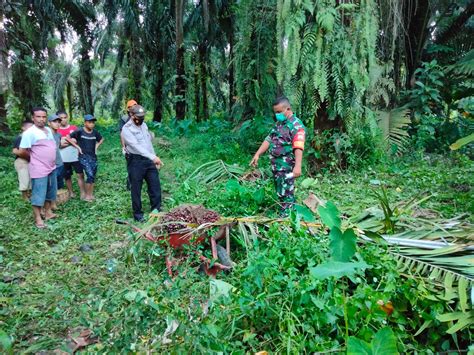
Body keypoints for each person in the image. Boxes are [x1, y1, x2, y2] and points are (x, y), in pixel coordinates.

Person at [250, 96, 306, 216]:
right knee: (281, 189)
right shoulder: (279, 124)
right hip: (277, 166)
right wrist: (257, 154)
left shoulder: (296, 126)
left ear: (288, 109)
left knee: (287, 191)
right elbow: (269, 139)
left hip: (287, 165)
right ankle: (287, 211)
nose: (277, 114)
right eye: (276, 112)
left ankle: (287, 216)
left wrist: (298, 166)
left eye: (279, 112)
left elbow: (298, 146)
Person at [17, 107, 58, 228]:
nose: (41, 119)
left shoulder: (48, 130)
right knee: (38, 193)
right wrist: (34, 159)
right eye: (38, 117)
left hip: (51, 166)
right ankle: (38, 218)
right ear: (33, 118)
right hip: (39, 168)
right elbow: (22, 151)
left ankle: (48, 212)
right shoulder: (29, 133)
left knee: (50, 190)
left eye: (44, 116)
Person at [121, 105, 163, 222]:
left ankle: (156, 210)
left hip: (149, 160)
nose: (141, 119)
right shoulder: (126, 129)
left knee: (155, 186)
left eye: (142, 116)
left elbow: (148, 144)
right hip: (135, 161)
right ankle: (138, 215)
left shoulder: (144, 125)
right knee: (136, 188)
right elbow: (136, 146)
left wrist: (154, 158)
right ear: (131, 115)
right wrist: (153, 157)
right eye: (138, 116)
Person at [69, 114, 104, 202]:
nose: (92, 124)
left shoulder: (95, 132)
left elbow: (101, 139)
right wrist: (77, 147)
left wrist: (97, 145)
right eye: (89, 122)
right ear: (85, 123)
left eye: (93, 122)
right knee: (90, 174)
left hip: (93, 157)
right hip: (83, 156)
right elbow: (68, 137)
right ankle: (87, 196)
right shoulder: (79, 131)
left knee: (93, 176)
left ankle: (90, 195)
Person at [57, 111, 85, 198]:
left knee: (80, 174)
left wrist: (65, 141)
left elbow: (78, 140)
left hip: (75, 156)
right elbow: (59, 145)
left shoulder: (74, 128)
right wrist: (71, 141)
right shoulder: (57, 130)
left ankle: (82, 192)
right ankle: (71, 192)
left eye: (65, 117)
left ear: (67, 117)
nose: (63, 120)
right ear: (58, 119)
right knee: (67, 176)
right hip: (64, 158)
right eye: (61, 118)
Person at [12, 120, 34, 200]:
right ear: (23, 128)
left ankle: (31, 196)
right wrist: (29, 157)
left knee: (31, 179)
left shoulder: (31, 138)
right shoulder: (20, 137)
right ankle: (25, 198)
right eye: (30, 127)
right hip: (22, 161)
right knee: (24, 179)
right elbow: (16, 151)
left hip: (30, 161)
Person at [48, 114, 65, 210]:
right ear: (49, 123)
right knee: (50, 184)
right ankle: (51, 204)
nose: (57, 124)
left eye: (59, 122)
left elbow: (58, 147)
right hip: (50, 164)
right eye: (55, 122)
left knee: (57, 184)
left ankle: (55, 202)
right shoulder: (45, 134)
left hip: (59, 162)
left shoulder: (58, 135)